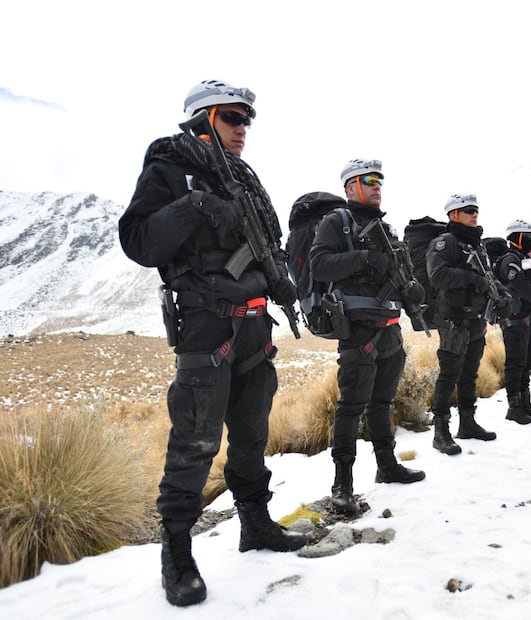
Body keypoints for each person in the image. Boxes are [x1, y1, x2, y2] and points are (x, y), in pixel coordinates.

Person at [119, 79, 306, 607]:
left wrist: (279, 280)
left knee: (250, 434)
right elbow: (137, 240)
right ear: (203, 118)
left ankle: (256, 524)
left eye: (247, 120)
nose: (243, 128)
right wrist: (194, 206)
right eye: (232, 117)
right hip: (206, 324)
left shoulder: (243, 178)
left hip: (253, 323)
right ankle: (176, 553)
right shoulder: (169, 168)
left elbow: (264, 240)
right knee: (196, 443)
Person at [309, 159, 426, 515]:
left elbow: (401, 275)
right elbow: (319, 265)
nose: (377, 186)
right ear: (350, 188)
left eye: (379, 181)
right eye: (369, 180)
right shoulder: (336, 222)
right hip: (358, 332)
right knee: (350, 408)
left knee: (382, 404)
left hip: (390, 330)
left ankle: (387, 466)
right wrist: (363, 258)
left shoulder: (386, 229)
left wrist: (413, 289)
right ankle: (342, 483)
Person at [425, 194, 506, 455]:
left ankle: (468, 424)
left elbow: (487, 276)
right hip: (453, 320)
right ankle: (441, 432)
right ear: (454, 215)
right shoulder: (445, 243)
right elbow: (437, 275)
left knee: (470, 374)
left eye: (476, 211)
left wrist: (501, 292)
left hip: (474, 320)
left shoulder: (477, 246)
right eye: (468, 210)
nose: (474, 214)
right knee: (449, 375)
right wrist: (472, 278)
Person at [495, 219, 531, 425]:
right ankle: (514, 407)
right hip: (515, 320)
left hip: (530, 320)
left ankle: (525, 403)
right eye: (528, 237)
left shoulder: (525, 258)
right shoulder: (509, 260)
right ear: (516, 238)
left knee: (527, 362)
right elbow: (521, 286)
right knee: (515, 363)